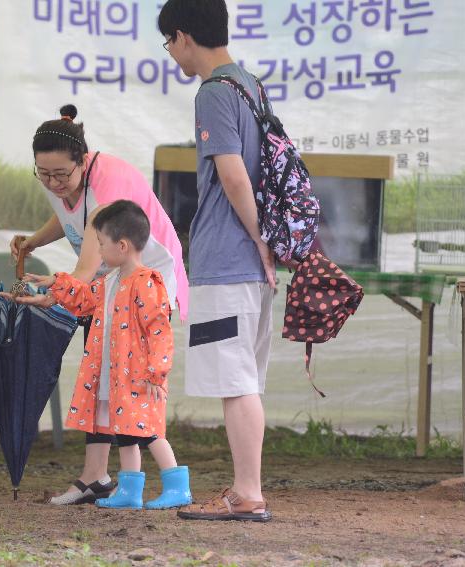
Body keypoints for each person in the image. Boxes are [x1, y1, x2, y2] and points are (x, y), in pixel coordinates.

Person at [11, 105, 189, 505]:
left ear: (83, 161)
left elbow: (88, 264)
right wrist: (35, 242)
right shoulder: (63, 178)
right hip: (110, 286)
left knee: (128, 389)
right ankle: (101, 478)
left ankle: (169, 484)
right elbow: (68, 212)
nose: (53, 183)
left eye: (61, 174)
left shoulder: (107, 182)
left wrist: (57, 293)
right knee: (104, 378)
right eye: (44, 174)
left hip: (141, 288)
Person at [159, 0, 275, 521]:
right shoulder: (251, 84)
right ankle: (245, 489)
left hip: (227, 259)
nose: (171, 53)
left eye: (168, 42)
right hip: (249, 266)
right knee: (244, 379)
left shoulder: (211, 93)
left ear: (183, 36)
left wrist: (259, 239)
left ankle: (247, 494)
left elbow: (232, 175)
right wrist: (265, 244)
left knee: (236, 382)